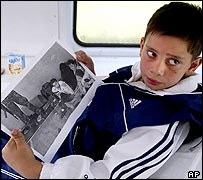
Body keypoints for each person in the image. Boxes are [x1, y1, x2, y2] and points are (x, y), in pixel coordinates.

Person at [1, 2, 202, 179]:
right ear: (142, 46)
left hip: (60, 162)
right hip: (70, 131)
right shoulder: (138, 74)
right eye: (152, 53)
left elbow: (107, 174)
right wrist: (91, 78)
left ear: (193, 66)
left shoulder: (164, 121)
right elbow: (117, 99)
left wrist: (34, 171)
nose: (157, 70)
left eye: (173, 61)